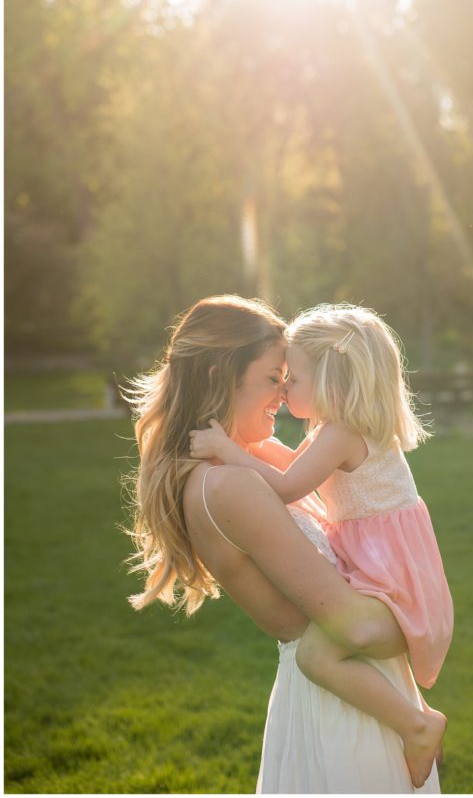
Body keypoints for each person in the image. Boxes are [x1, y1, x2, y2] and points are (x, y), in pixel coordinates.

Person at [126, 294, 442, 793]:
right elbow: (356, 629)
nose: (283, 393)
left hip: (353, 687)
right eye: (274, 378)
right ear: (217, 375)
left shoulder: (233, 469)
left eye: (288, 377)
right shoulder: (229, 485)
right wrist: (425, 619)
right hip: (340, 703)